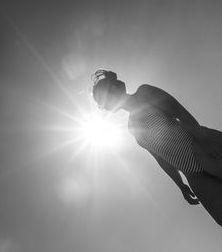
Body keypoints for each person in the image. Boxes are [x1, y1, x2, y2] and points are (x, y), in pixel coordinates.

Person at [91, 69, 222, 226]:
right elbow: (161, 158)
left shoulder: (144, 93)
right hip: (193, 174)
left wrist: (205, 141)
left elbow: (179, 111)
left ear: (114, 88)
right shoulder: (132, 127)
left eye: (102, 99)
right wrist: (180, 185)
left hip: (202, 146)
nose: (103, 105)